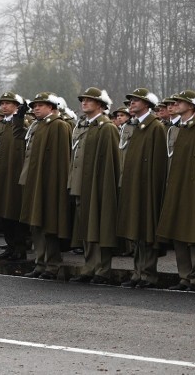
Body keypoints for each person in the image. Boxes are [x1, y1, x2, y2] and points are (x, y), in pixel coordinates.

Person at [16, 93, 72, 279]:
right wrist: (18, 117)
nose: (36, 108)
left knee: (48, 224)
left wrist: (55, 184)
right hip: (33, 180)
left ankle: (52, 264)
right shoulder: (36, 125)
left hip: (48, 182)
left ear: (52, 107)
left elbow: (61, 160)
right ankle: (40, 263)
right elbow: (20, 138)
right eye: (34, 105)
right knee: (36, 224)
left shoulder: (58, 126)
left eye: (41, 105)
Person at [68, 88, 120, 284]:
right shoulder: (83, 126)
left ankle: (102, 269)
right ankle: (89, 266)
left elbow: (110, 162)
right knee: (86, 227)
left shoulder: (106, 128)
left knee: (100, 226)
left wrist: (104, 187)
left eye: (90, 100)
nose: (84, 102)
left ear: (100, 104)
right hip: (81, 184)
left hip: (98, 186)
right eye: (83, 99)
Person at [117, 88, 166, 289]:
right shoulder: (135, 125)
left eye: (136, 100)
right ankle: (137, 272)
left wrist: (153, 189)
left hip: (147, 187)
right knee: (135, 231)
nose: (132, 103)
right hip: (133, 185)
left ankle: (148, 274)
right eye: (131, 100)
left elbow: (159, 162)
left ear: (147, 104)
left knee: (146, 231)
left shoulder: (155, 127)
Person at [156, 90, 195, 291]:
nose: (176, 104)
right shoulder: (179, 128)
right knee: (178, 232)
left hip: (193, 188)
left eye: (181, 102)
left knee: (193, 233)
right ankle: (184, 276)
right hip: (178, 186)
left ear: (191, 106)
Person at [0, 93, 29, 261]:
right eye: (2, 103)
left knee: (15, 211)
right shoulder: (0, 125)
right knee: (3, 212)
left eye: (8, 103)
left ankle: (20, 247)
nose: (4, 106)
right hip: (1, 173)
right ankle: (10, 246)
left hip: (15, 174)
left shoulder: (22, 123)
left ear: (16, 106)